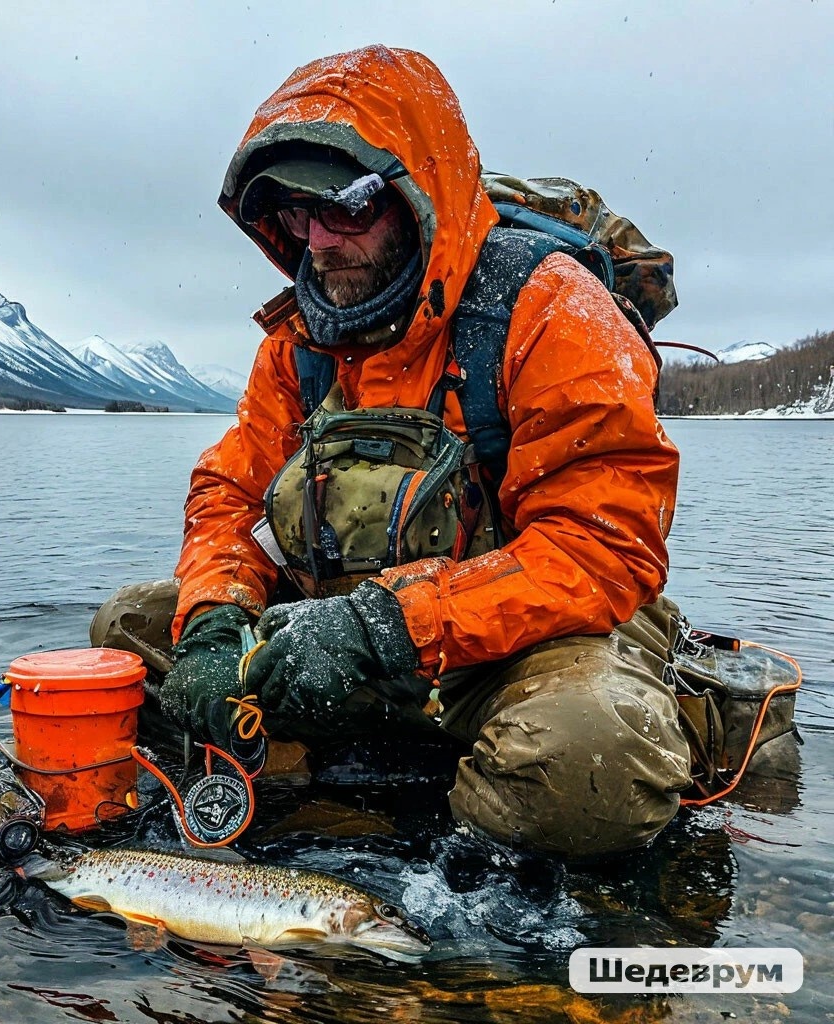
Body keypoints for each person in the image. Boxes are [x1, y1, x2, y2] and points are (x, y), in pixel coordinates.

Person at [90, 44, 695, 858]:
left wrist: (386, 627)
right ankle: (308, 788)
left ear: (416, 197)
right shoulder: (298, 340)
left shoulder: (553, 308)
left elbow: (601, 548)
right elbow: (230, 496)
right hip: (328, 640)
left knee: (592, 758)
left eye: (342, 208)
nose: (317, 241)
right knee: (129, 630)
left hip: (506, 653)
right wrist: (213, 621)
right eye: (295, 215)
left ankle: (438, 842)